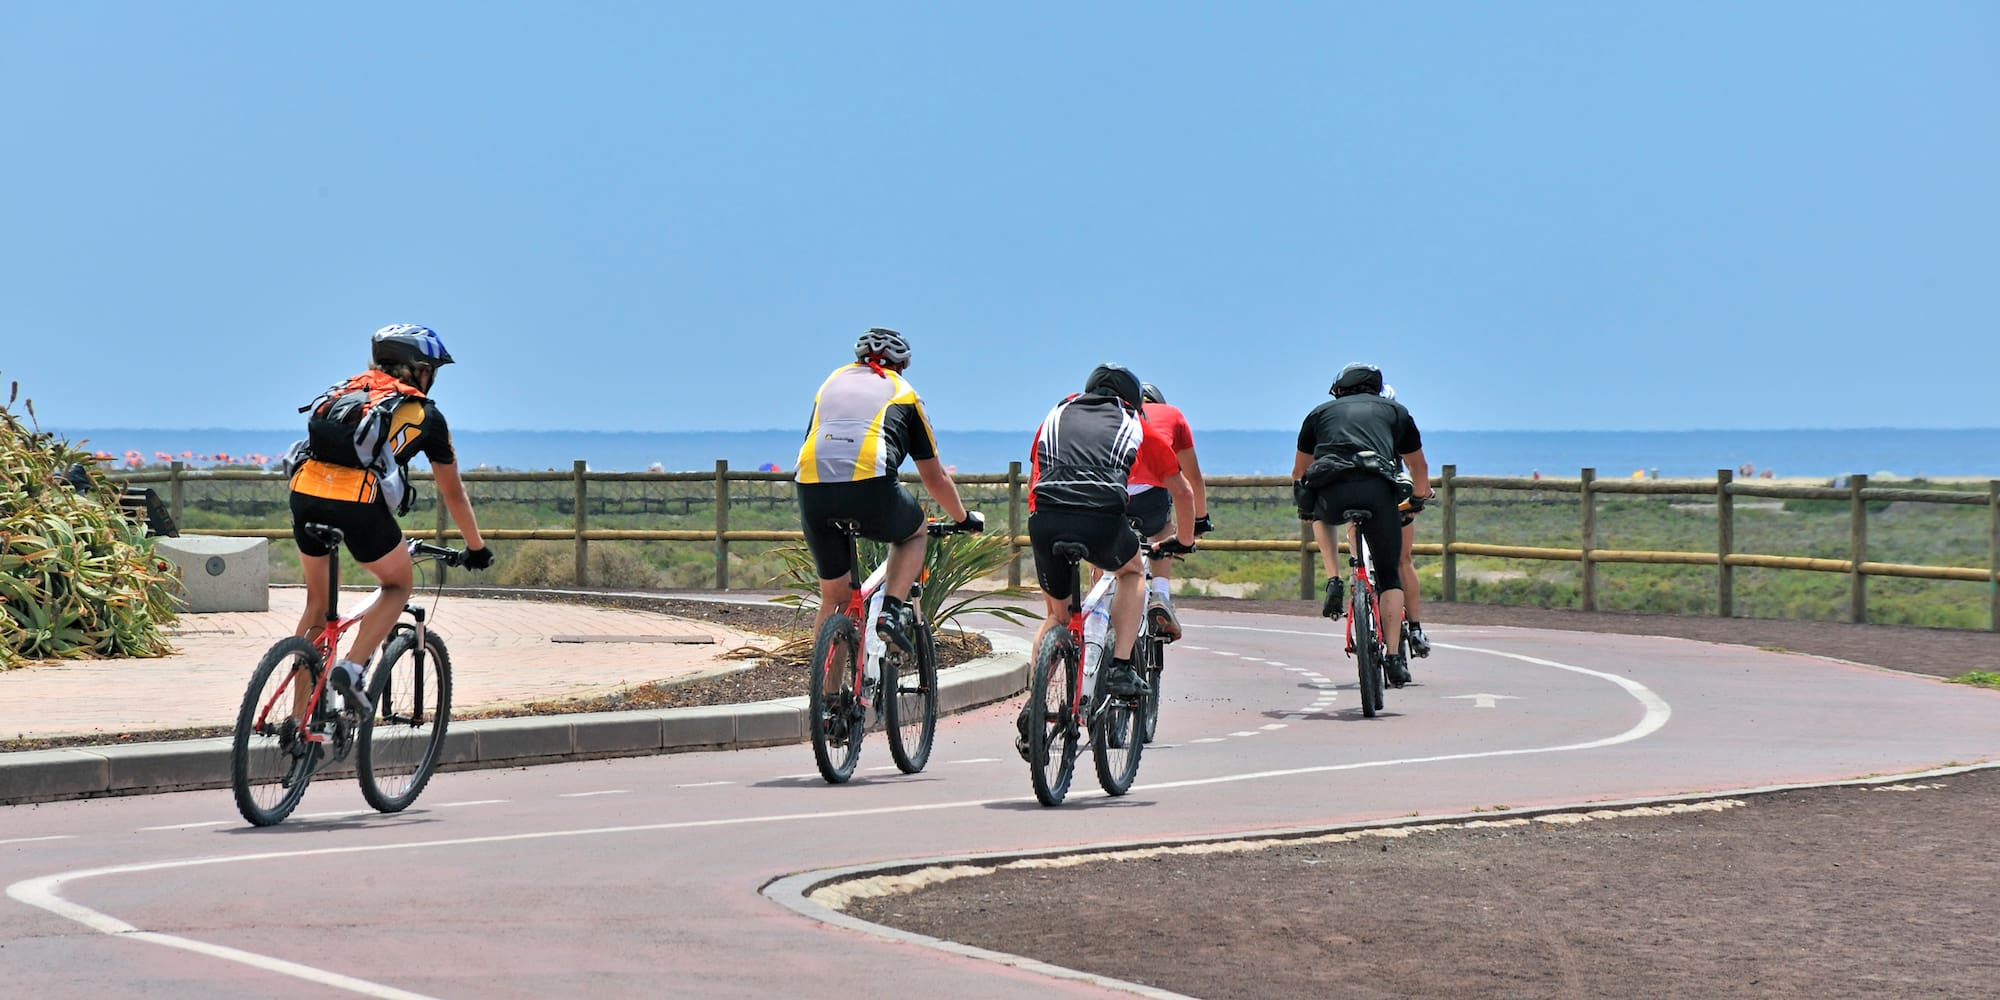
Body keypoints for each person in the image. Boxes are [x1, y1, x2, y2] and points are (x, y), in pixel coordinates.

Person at [288, 324, 492, 719]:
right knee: (398, 584)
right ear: (419, 370)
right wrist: (476, 548)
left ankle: (297, 721)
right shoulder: (425, 415)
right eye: (431, 370)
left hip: (304, 494)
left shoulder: (345, 391)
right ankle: (351, 669)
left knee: (317, 604)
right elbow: (453, 493)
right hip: (358, 504)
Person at [1019, 364, 1194, 757]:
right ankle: (1119, 667)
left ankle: (1035, 703)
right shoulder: (1135, 423)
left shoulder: (1055, 415)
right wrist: (1182, 541)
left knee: (1057, 617)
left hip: (1045, 518)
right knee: (1131, 573)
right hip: (1100, 519)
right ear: (1130, 400)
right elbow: (1181, 492)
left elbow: (1034, 476)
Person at [795, 328, 982, 683]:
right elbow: (935, 477)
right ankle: (890, 613)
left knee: (834, 598)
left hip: (811, 487)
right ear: (902, 365)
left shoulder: (830, 384)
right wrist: (963, 518)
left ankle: (826, 699)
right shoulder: (904, 393)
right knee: (913, 532)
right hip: (870, 486)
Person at [1293, 362, 1432, 687]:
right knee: (1390, 576)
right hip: (1378, 494)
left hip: (1333, 495)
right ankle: (1395, 657)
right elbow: (1418, 466)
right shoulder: (1397, 412)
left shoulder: (1318, 414)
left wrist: (1305, 506)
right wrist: (1419, 497)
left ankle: (1333, 578)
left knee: (1316, 511)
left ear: (1340, 389)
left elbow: (1299, 473)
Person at [1131, 382, 1211, 640]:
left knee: (1105, 539)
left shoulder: (1114, 413)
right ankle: (1160, 594)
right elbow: (1194, 478)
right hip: (1150, 499)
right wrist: (1200, 521)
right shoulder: (1172, 415)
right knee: (1162, 529)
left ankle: (1099, 598)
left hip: (1112, 491)